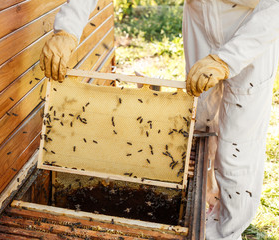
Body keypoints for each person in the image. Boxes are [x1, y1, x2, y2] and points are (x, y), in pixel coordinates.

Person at [39, 0, 279, 239]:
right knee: (202, 121)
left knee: (238, 144)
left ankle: (226, 233)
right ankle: (205, 203)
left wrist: (227, 59)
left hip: (252, 27)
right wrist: (67, 29)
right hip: (200, 19)